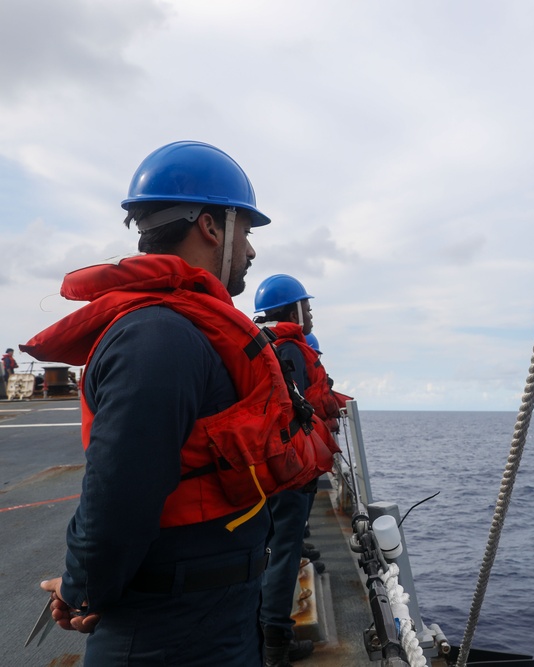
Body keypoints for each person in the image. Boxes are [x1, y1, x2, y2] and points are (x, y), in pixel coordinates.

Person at [20, 141, 335, 666]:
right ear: (212, 226)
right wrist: (83, 588)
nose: (252, 252)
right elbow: (118, 491)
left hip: (213, 620)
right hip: (167, 638)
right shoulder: (158, 337)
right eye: (248, 232)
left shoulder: (179, 331)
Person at [251, 274, 344, 667]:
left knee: (266, 546)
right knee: (284, 551)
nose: (311, 314)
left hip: (262, 469)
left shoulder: (257, 346)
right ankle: (276, 644)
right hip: (291, 471)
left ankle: (260, 632)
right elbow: (307, 408)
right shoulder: (292, 351)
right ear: (293, 310)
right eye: (306, 306)